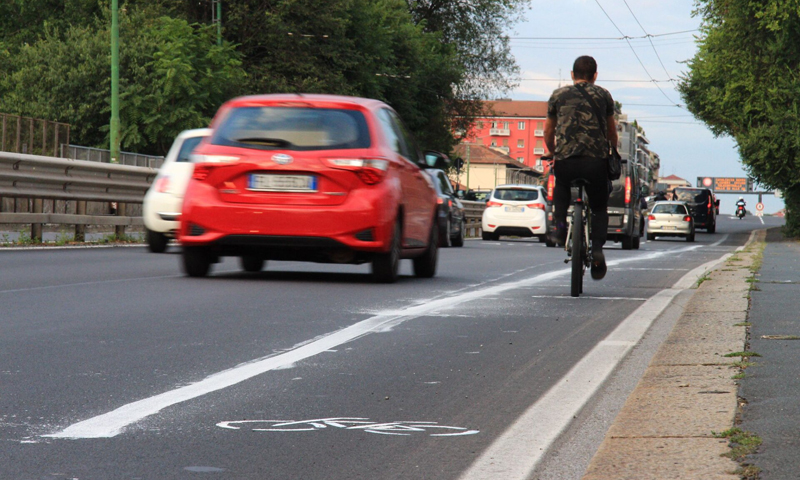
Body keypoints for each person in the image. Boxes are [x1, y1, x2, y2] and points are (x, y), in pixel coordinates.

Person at [544, 55, 617, 280]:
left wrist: (553, 151)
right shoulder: (604, 95)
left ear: (572, 75)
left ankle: (558, 228)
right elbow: (611, 132)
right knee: (599, 206)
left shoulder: (558, 95)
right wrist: (611, 150)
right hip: (595, 163)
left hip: (567, 161)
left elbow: (548, 130)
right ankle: (596, 248)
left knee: (561, 188)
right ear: (595, 75)